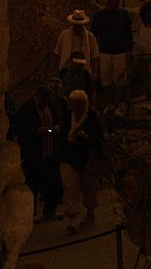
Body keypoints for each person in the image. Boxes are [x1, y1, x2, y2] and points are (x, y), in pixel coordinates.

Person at [16, 84, 63, 222]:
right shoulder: (27, 108)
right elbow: (20, 129)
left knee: (51, 184)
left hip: (50, 153)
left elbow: (57, 120)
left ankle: (50, 211)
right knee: (33, 184)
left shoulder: (50, 107)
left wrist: (56, 127)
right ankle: (32, 213)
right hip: (34, 154)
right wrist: (37, 131)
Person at [59, 90, 102, 234]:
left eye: (80, 105)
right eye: (75, 105)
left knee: (89, 187)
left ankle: (90, 212)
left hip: (86, 158)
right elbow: (63, 133)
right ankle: (73, 219)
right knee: (70, 188)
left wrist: (87, 138)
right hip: (69, 156)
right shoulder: (67, 116)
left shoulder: (91, 116)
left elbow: (98, 137)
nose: (77, 108)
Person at [91, 0, 133, 116]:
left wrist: (129, 50)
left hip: (120, 52)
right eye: (115, 2)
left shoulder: (124, 15)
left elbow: (128, 34)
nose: (117, 4)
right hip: (104, 52)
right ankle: (109, 104)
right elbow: (94, 34)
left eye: (119, 2)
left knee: (120, 81)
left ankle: (117, 105)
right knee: (106, 80)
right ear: (109, 1)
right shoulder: (99, 15)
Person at [54, 9, 100, 76]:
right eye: (76, 24)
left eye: (80, 24)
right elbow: (57, 54)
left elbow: (94, 56)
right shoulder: (64, 35)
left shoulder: (90, 37)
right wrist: (56, 71)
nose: (78, 26)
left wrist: (94, 73)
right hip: (67, 69)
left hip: (83, 70)